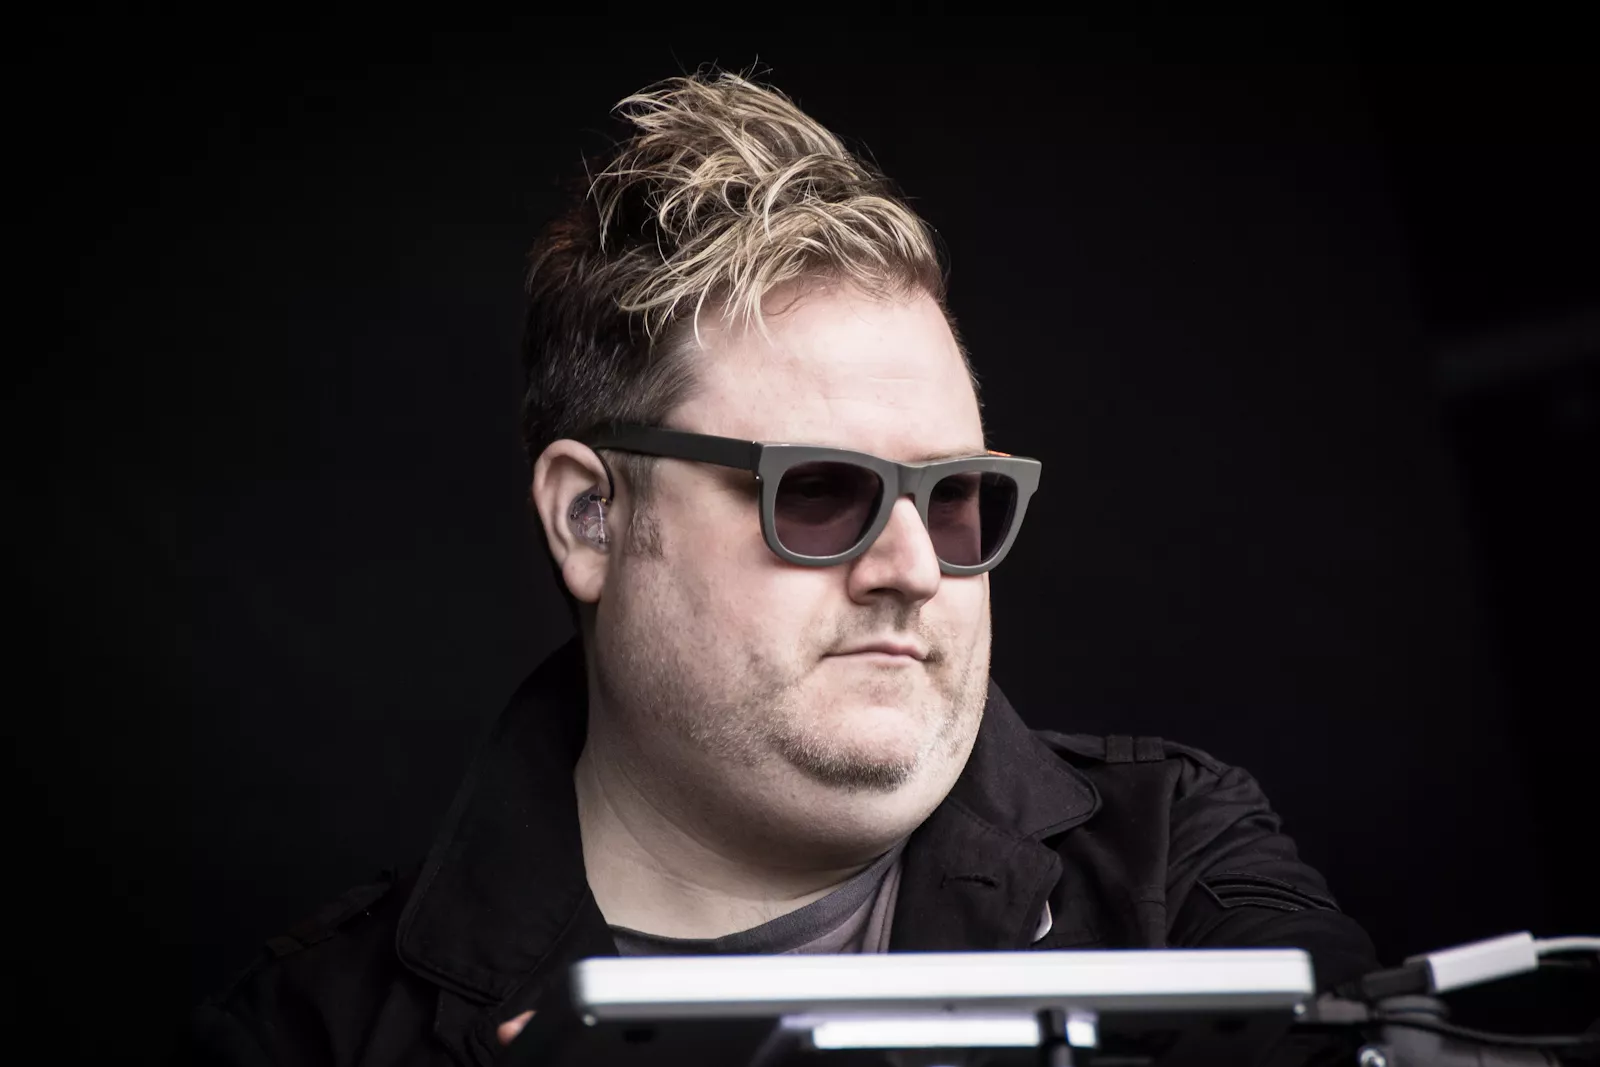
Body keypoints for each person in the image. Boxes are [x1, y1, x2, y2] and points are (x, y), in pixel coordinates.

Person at [192, 70, 1377, 1066]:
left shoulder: (1179, 870)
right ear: (591, 517)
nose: (911, 568)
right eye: (818, 491)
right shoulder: (315, 1033)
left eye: (952, 497)